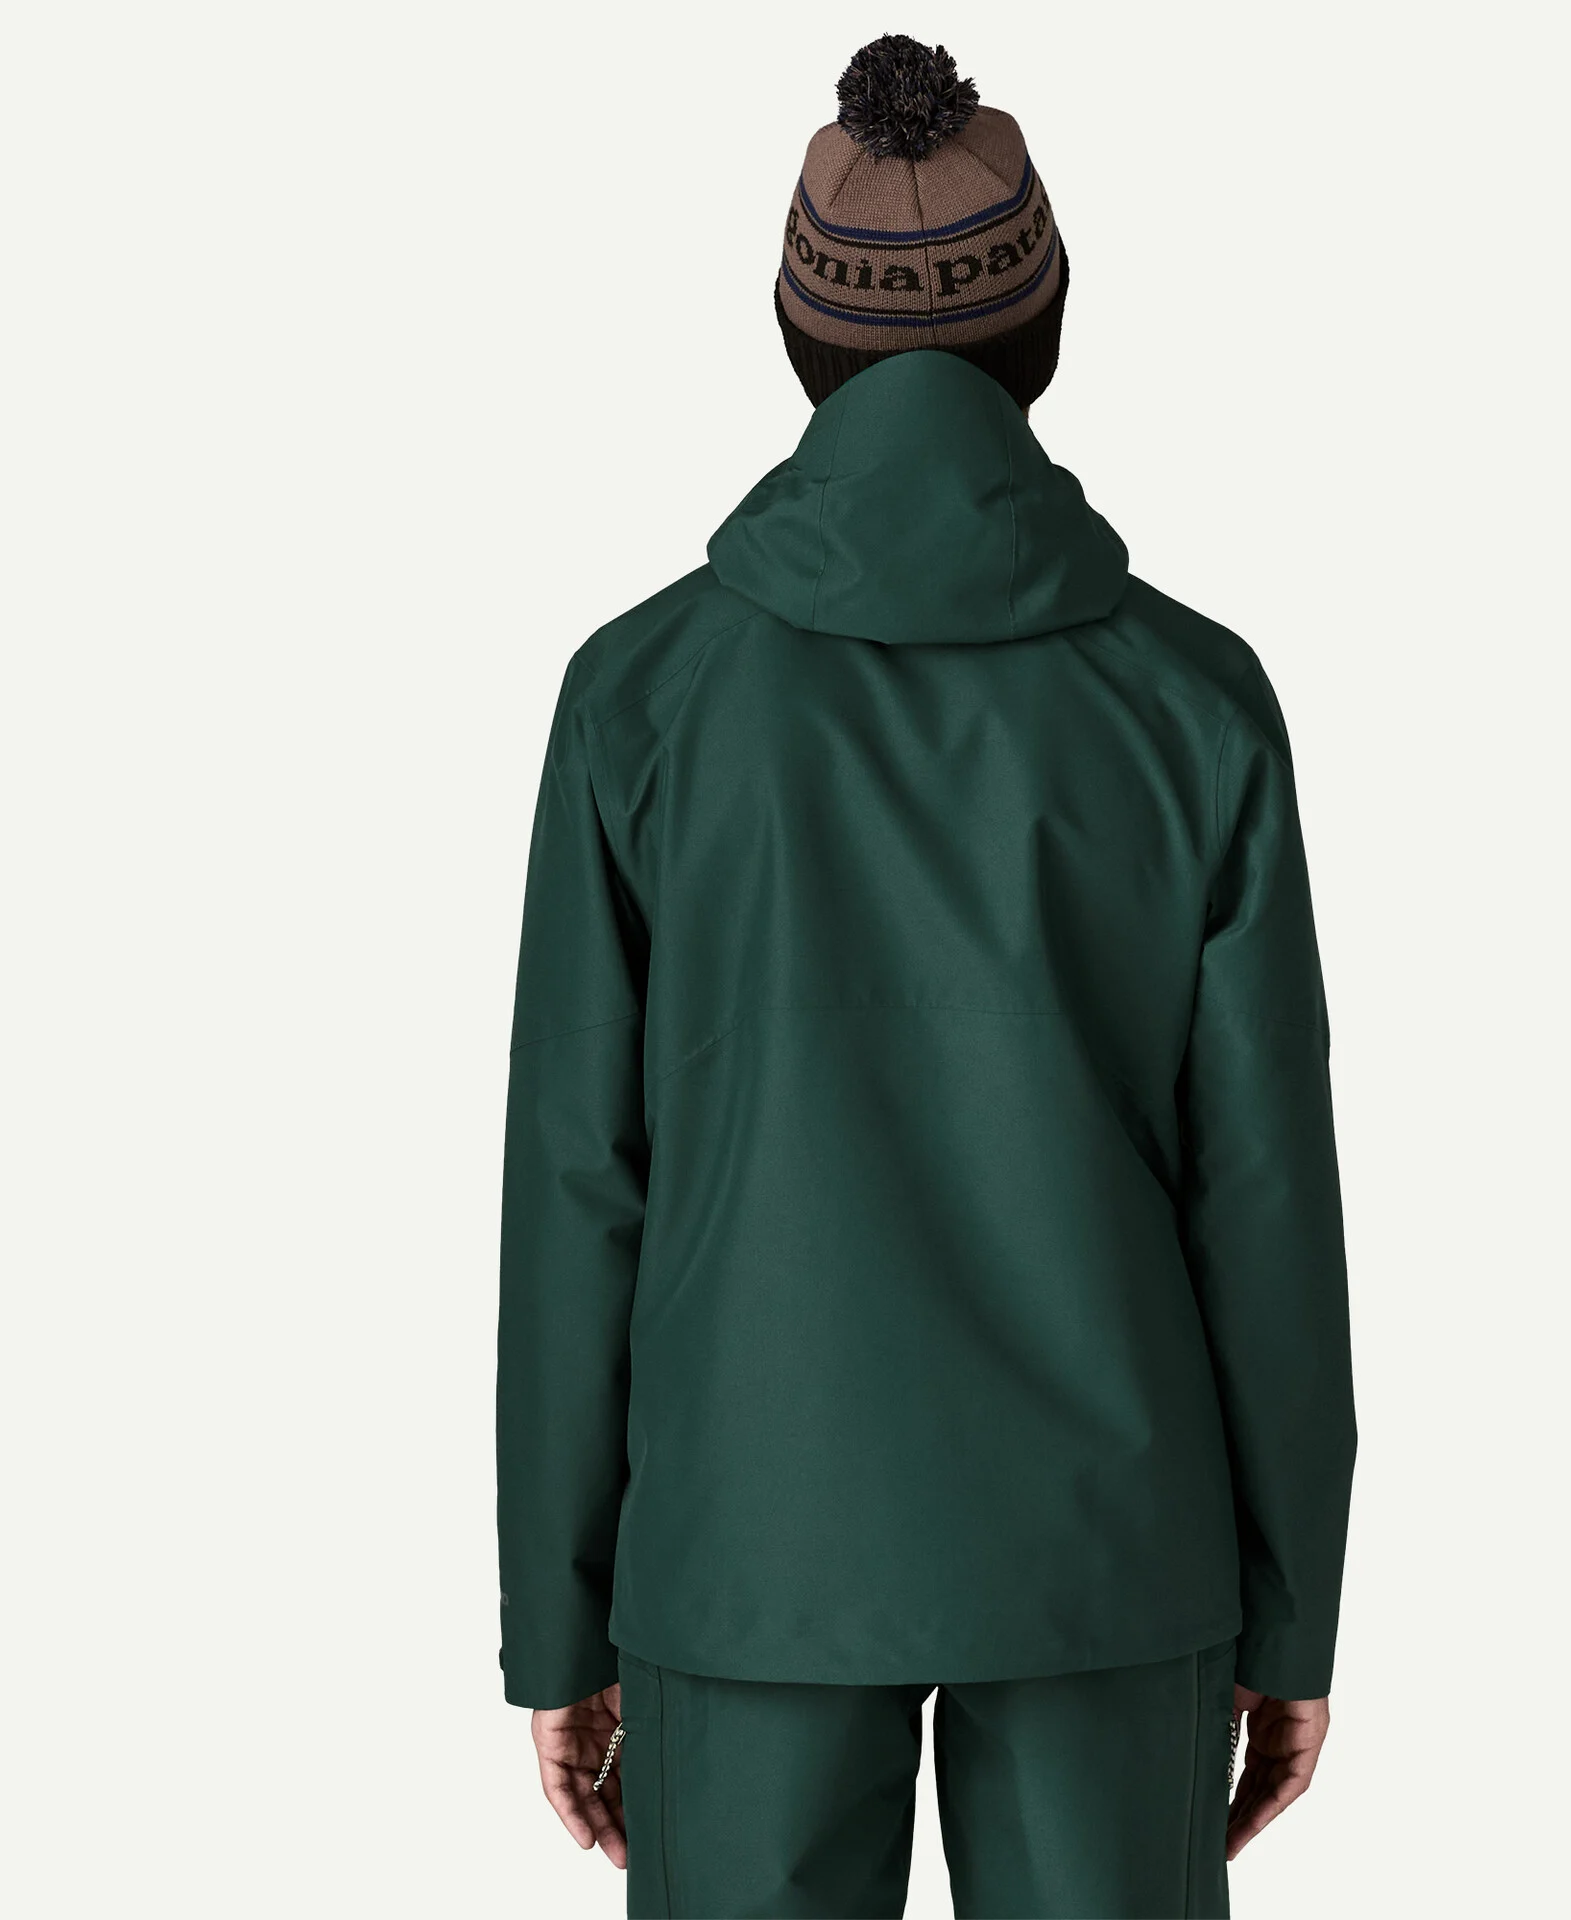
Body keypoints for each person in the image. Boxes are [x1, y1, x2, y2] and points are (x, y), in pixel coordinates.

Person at [498, 34, 1356, 1919]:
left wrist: (554, 1621)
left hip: (745, 1547)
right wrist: (1292, 1611)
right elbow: (1268, 1196)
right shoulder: (1196, 701)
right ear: (1045, 327)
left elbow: (578, 1183)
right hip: (1111, 1549)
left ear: (798, 336)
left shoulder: (640, 698)